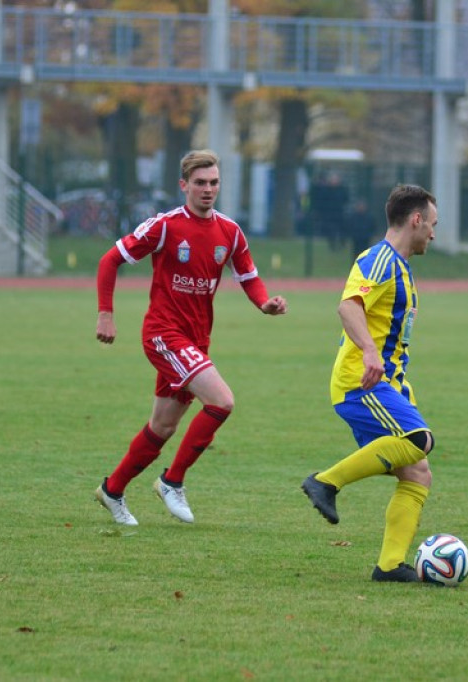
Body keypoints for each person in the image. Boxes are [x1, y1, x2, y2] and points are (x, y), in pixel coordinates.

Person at [93, 149, 288, 526]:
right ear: (184, 185)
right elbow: (109, 260)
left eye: (214, 182)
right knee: (222, 401)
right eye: (200, 183)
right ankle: (172, 481)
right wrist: (106, 314)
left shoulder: (229, 231)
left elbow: (248, 276)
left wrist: (264, 304)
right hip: (164, 333)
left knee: (162, 426)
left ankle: (112, 490)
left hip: (197, 340)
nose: (208, 189)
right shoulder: (165, 226)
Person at [301, 184, 438, 583]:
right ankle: (325, 482)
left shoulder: (400, 266)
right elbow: (348, 305)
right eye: (432, 224)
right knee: (419, 438)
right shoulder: (380, 260)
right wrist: (370, 352)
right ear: (416, 220)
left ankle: (390, 566)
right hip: (360, 381)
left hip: (386, 384)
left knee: (418, 473)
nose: (433, 232)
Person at [346, 198, 376, 263]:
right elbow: (349, 228)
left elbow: (373, 228)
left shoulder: (369, 217)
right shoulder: (353, 217)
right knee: (355, 257)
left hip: (366, 241)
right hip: (356, 241)